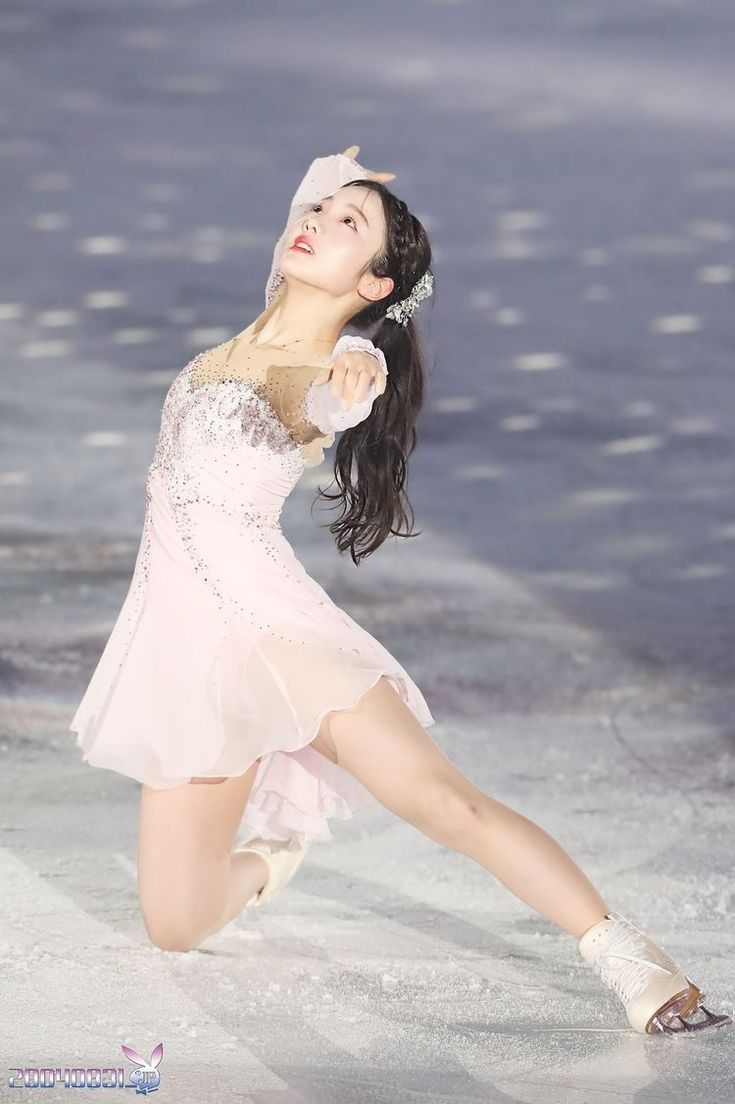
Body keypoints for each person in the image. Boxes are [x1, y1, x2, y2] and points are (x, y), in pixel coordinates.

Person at [69, 145, 731, 1037]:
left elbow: (348, 395)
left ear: (374, 288)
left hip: (276, 638)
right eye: (316, 214)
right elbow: (302, 227)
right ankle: (274, 858)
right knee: (173, 923)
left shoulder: (328, 371)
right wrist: (332, 179)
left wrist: (354, 385)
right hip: (188, 656)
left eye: (349, 227)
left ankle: (635, 962)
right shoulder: (263, 318)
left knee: (440, 801)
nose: (315, 226)